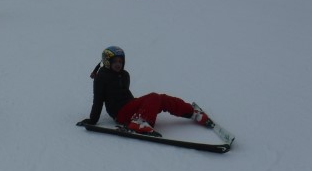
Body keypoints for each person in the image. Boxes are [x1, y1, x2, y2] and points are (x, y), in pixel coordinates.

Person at [78, 46, 212, 136]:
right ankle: (138, 123)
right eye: (115, 62)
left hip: (130, 107)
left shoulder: (124, 74)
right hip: (120, 113)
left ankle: (192, 112)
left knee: (161, 99)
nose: (118, 64)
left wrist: (141, 106)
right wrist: (92, 120)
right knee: (153, 96)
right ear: (107, 62)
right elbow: (98, 100)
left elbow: (125, 94)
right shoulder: (101, 77)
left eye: (120, 61)